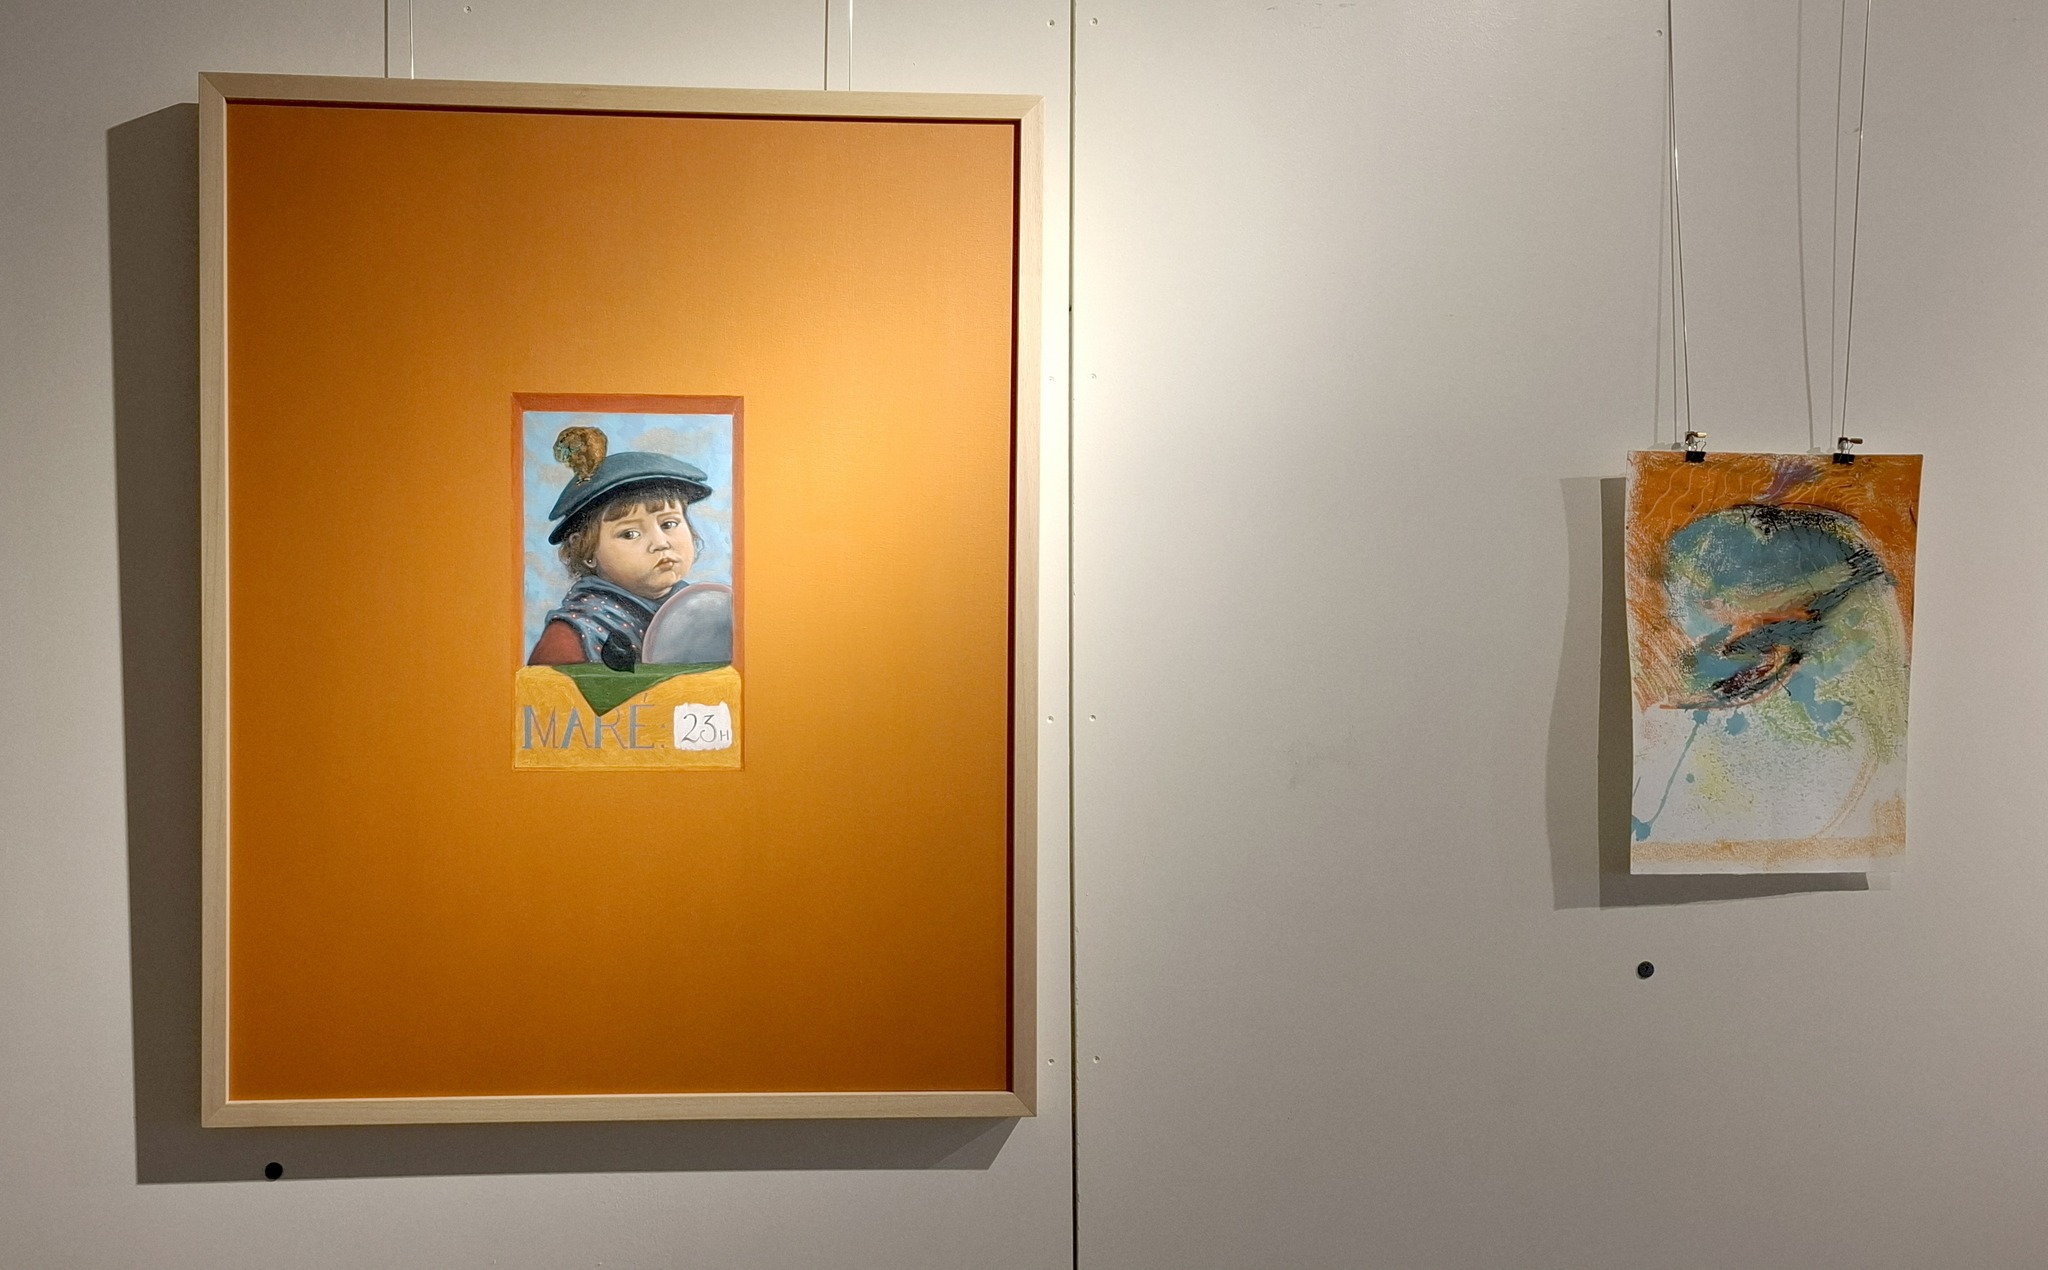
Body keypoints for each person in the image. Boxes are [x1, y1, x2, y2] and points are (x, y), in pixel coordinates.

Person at [527, 427, 714, 667]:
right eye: (630, 533)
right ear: (587, 551)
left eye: (669, 524)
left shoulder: (705, 612)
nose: (660, 543)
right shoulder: (570, 638)